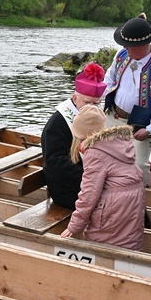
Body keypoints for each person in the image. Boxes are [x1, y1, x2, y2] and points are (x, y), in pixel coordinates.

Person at [103, 13, 151, 188]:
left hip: (141, 125)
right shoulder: (122, 54)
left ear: (143, 44)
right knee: (102, 157)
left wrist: (149, 129)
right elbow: (109, 80)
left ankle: (145, 200)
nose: (125, 48)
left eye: (130, 46)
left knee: (138, 166)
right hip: (112, 116)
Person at [61, 105, 146, 250]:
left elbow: (89, 194)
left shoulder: (95, 153)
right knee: (127, 241)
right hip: (134, 200)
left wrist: (74, 226)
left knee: (101, 243)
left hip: (116, 205)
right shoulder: (119, 143)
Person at [41, 62, 107, 209]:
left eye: (96, 104)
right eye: (87, 102)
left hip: (90, 178)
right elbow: (56, 164)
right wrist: (93, 176)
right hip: (66, 188)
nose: (91, 107)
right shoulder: (58, 123)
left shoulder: (94, 117)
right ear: (75, 98)